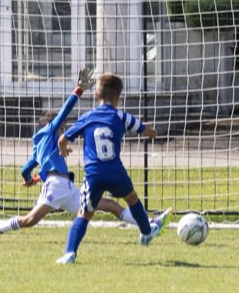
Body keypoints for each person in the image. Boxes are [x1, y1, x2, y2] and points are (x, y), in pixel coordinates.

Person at [0, 68, 136, 244]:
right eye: (61, 127)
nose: (63, 131)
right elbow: (65, 110)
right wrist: (79, 89)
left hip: (67, 189)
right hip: (55, 185)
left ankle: (147, 223)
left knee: (109, 205)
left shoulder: (37, 147)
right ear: (51, 126)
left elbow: (25, 170)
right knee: (29, 220)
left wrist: (30, 180)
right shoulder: (50, 131)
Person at [55, 72, 171, 264]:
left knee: (84, 214)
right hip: (116, 172)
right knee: (132, 198)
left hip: (94, 174)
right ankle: (146, 232)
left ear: (96, 95)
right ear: (118, 98)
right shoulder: (122, 116)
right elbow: (151, 133)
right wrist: (149, 129)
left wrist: (63, 150)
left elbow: (62, 140)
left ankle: (70, 253)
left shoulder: (88, 117)